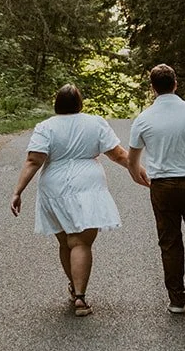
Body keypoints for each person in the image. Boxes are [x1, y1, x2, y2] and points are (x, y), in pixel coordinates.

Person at [11, 84, 131, 316]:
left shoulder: (45, 127)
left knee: (66, 241)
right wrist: (137, 170)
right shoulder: (95, 123)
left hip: (54, 187)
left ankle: (75, 289)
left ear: (57, 104)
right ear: (79, 104)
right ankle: (80, 297)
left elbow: (33, 161)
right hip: (87, 184)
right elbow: (117, 154)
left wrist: (18, 191)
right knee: (81, 243)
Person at [126, 64, 185, 315]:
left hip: (162, 186)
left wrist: (138, 177)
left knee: (169, 241)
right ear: (175, 83)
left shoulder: (144, 119)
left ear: (152, 88)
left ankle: (177, 300)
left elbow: (132, 159)